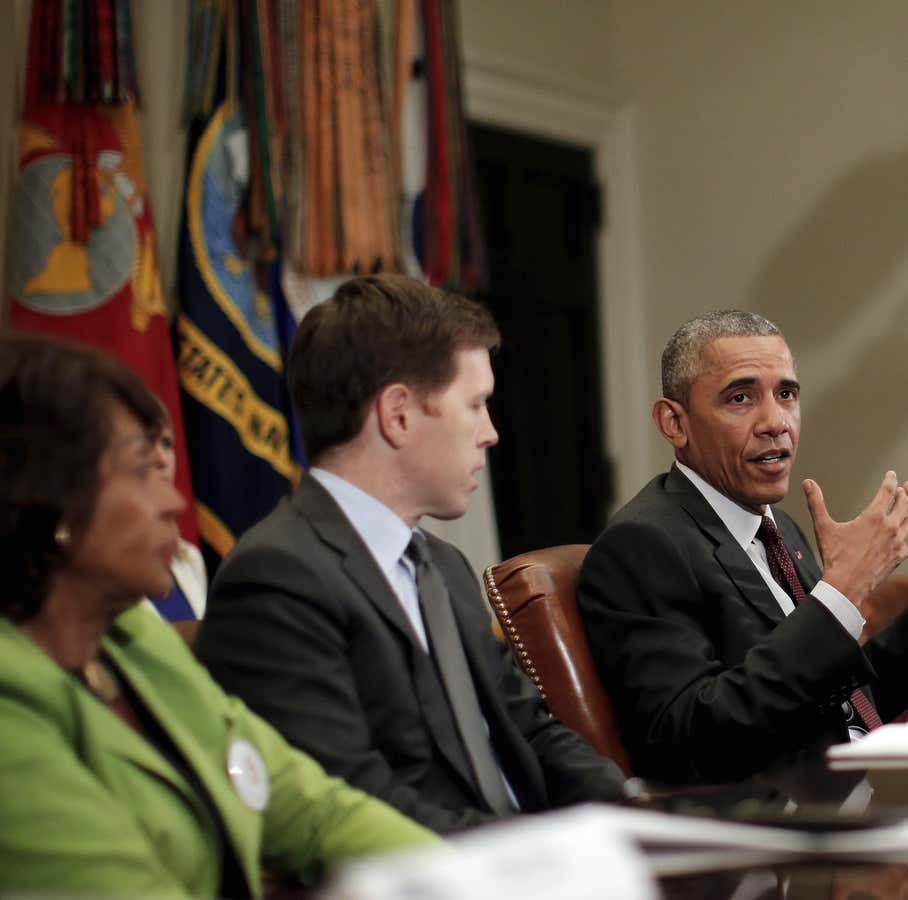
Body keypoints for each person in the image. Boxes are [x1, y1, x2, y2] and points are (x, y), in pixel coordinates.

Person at [0, 335, 436, 897]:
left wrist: (469, 884)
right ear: (52, 502)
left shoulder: (130, 637)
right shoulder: (11, 706)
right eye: (142, 471)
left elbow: (311, 808)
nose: (175, 502)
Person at [197, 274, 627, 834]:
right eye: (475, 405)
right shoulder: (277, 577)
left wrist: (637, 810)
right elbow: (353, 801)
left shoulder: (440, 567)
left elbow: (528, 729)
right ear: (398, 415)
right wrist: (525, 865)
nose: (491, 433)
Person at [577, 309, 908, 783]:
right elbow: (692, 739)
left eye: (787, 394)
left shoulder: (781, 530)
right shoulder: (644, 545)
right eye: (740, 397)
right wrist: (840, 592)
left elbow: (845, 703)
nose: (775, 422)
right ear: (674, 422)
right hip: (769, 828)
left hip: (852, 793)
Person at [147, 419, 207, 628]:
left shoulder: (189, 557)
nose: (162, 458)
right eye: (145, 444)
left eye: (166, 444)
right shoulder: (96, 568)